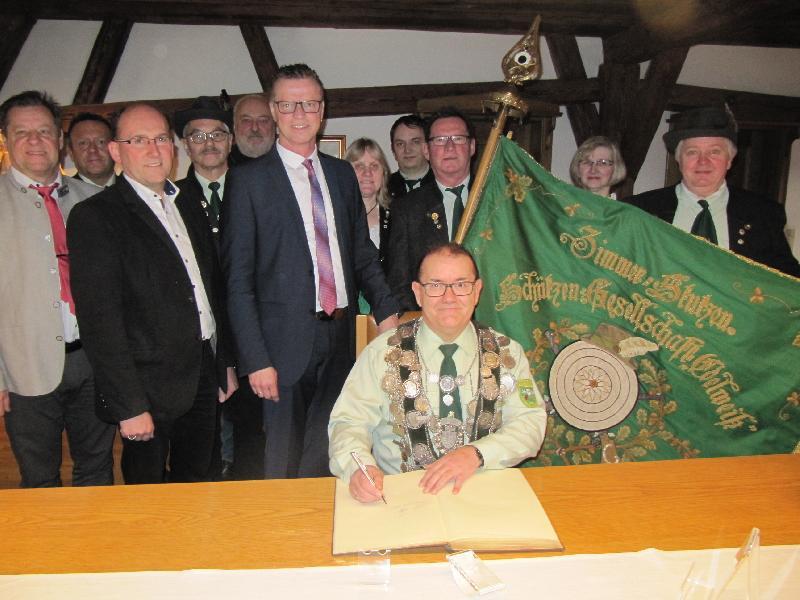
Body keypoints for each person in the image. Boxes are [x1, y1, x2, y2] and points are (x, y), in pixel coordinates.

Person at [222, 63, 399, 479]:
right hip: (279, 349)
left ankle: (320, 536)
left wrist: (387, 309)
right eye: (288, 104)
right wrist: (255, 359)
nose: (299, 114)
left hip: (339, 340)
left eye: (309, 104)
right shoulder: (247, 182)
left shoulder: (341, 175)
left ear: (323, 112)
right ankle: (282, 541)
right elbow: (237, 281)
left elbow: (360, 252)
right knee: (280, 461)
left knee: (329, 451)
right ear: (273, 110)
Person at [67, 103, 238, 484]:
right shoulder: (96, 216)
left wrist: (222, 363)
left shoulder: (188, 203)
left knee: (200, 482)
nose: (153, 150)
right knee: (147, 500)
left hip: (200, 373)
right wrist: (128, 405)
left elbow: (210, 289)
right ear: (116, 151)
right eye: (138, 140)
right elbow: (100, 322)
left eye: (160, 139)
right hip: (146, 389)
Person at [329, 242, 546, 502]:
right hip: (401, 500)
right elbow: (349, 423)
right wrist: (359, 469)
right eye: (435, 285)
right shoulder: (381, 355)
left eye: (461, 284)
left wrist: (477, 454)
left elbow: (530, 423)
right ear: (417, 293)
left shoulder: (507, 355)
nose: (449, 297)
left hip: (485, 497)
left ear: (477, 291)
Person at [0, 90, 115, 487]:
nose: (35, 141)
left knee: (97, 468)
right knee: (38, 478)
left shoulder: (96, 201)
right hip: (22, 368)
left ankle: (95, 549)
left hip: (93, 362)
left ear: (60, 140)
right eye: (22, 132)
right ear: (6, 139)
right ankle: (47, 551)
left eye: (44, 131)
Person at [174, 95, 265, 480]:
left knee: (252, 436)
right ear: (184, 144)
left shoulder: (257, 190)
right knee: (201, 443)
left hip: (253, 334)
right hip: (196, 340)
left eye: (217, 134)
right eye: (197, 135)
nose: (208, 142)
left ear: (230, 140)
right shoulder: (171, 199)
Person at [626, 106, 799, 277]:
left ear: (730, 160)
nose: (703, 161)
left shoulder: (764, 213)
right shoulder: (639, 210)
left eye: (714, 152)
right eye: (692, 152)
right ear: (679, 159)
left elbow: (788, 281)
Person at [385, 107, 477, 311]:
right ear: (427, 150)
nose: (450, 147)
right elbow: (399, 282)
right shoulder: (407, 208)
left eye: (458, 139)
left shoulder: (494, 199)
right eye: (440, 140)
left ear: (472, 146)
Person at [344, 137, 392, 262]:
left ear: (384, 173)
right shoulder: (335, 215)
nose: (367, 173)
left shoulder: (397, 216)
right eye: (359, 166)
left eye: (374, 166)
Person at [386, 115, 434, 200]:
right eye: (400, 144)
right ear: (393, 151)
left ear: (427, 146)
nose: (407, 150)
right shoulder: (383, 188)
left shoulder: (442, 183)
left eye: (415, 142)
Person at [66, 112, 116, 188]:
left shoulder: (136, 189)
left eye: (101, 142)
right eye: (83, 143)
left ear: (114, 148)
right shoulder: (59, 198)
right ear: (71, 153)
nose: (92, 149)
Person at [228, 93, 275, 167]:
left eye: (263, 120)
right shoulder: (222, 164)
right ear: (234, 126)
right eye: (246, 120)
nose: (255, 128)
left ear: (274, 126)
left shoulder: (288, 161)